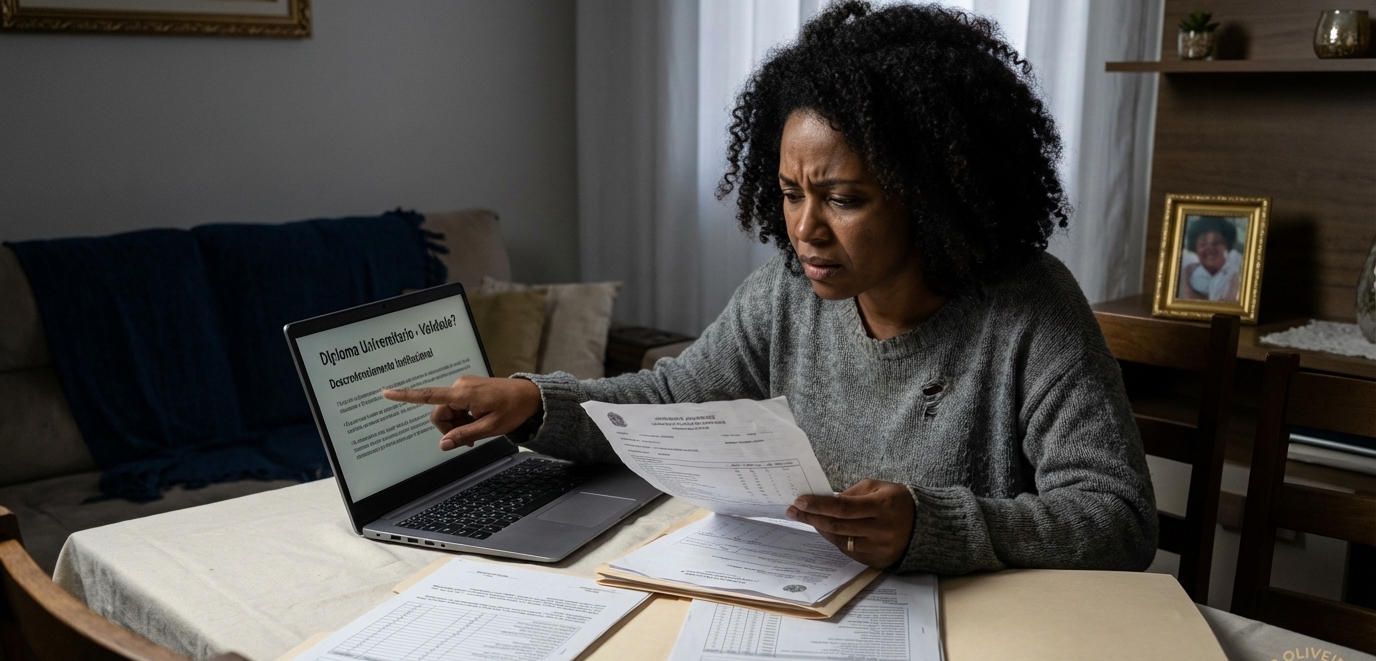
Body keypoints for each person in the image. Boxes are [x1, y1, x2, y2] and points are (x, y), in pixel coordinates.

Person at [384, 1, 1156, 575]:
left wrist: (931, 524)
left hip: (974, 640)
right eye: (789, 192)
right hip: (811, 613)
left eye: (844, 199)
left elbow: (1116, 518)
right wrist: (536, 402)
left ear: (935, 194)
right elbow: (673, 401)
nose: (805, 230)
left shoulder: (1029, 307)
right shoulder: (786, 293)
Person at [1176, 216, 1242, 302]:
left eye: (1216, 243)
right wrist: (1185, 273)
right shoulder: (1189, 271)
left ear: (1227, 247)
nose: (1209, 248)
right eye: (1203, 244)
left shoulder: (1234, 270)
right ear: (1195, 249)